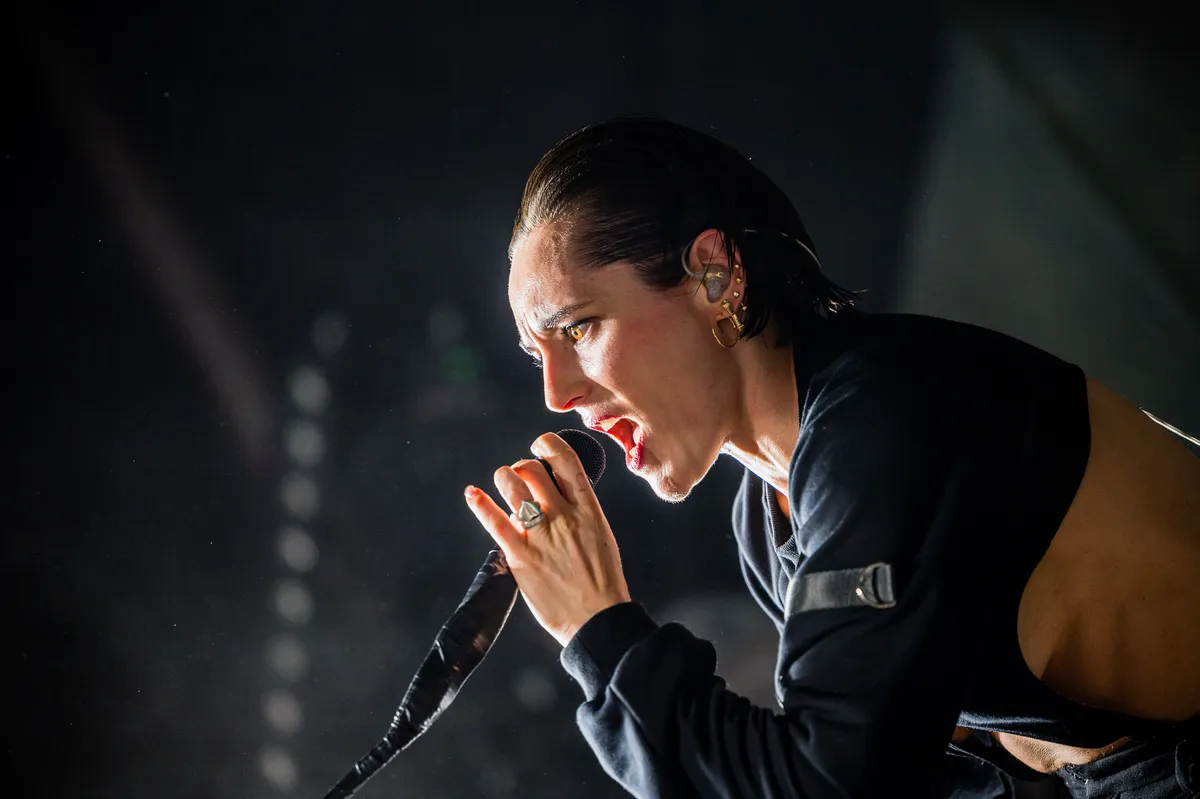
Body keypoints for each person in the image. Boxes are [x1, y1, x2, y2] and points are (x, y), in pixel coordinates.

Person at [462, 117, 1200, 798]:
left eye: (579, 328)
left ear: (715, 274)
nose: (556, 393)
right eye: (535, 354)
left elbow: (827, 782)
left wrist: (599, 629)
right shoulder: (771, 518)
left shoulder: (890, 419)